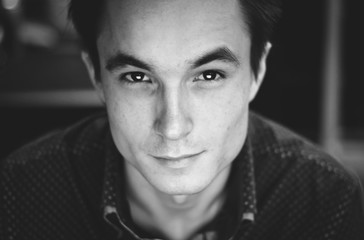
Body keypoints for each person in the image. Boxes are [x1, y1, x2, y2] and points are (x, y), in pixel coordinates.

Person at [1, 0, 363, 239]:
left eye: (208, 76)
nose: (173, 127)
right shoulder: (19, 196)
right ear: (96, 76)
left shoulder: (326, 202)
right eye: (137, 77)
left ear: (258, 70)